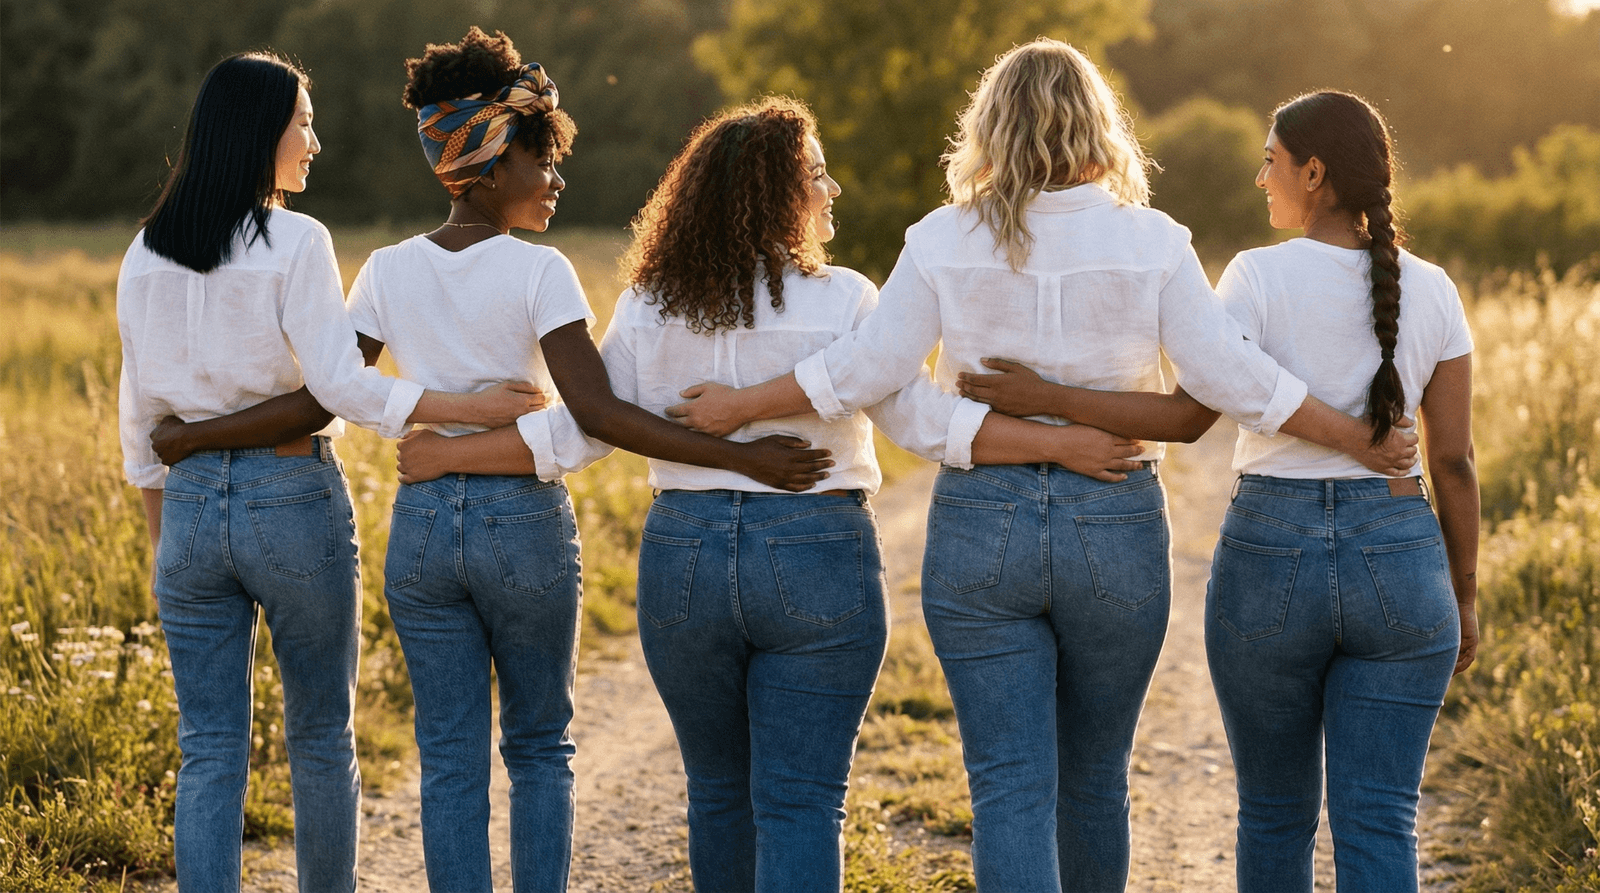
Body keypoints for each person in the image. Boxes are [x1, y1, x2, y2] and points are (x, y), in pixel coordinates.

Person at [666, 42, 1419, 892]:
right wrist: (1357, 436)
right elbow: (1230, 381)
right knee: (1094, 780)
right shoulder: (1156, 241)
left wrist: (740, 403)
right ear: (1099, 123)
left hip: (983, 524)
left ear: (993, 126)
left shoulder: (943, 237)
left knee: (1008, 788)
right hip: (1116, 518)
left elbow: (869, 370)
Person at [401, 95, 1146, 892]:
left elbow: (583, 431)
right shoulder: (844, 299)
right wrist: (1059, 439)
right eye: (818, 177)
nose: (832, 192)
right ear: (779, 195)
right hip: (815, 549)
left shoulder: (653, 305)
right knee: (800, 801)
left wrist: (456, 454)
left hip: (683, 553)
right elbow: (923, 420)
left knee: (719, 792)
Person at [340, 29, 835, 893]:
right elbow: (601, 413)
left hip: (420, 530)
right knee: (538, 744)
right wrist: (739, 453)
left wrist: (418, 424)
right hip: (521, 528)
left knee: (448, 753)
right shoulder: (541, 273)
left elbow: (336, 385)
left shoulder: (383, 270)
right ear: (491, 165)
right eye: (542, 159)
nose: (557, 178)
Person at [116, 52, 540, 893]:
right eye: (304, 122)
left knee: (207, 747)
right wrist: (481, 409)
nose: (316, 140)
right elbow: (335, 389)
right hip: (289, 499)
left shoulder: (143, 251)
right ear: (259, 131)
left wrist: (165, 540)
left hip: (191, 515)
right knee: (320, 735)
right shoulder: (297, 240)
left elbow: (138, 414)